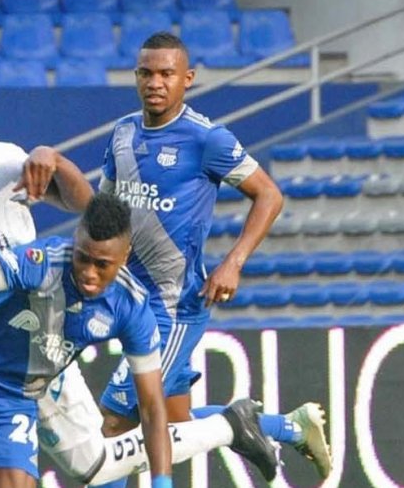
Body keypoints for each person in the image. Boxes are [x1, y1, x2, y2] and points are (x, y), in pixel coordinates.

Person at [0, 75, 277, 487]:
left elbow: (86, 204)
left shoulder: (0, 170)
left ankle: (229, 425)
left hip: (35, 335)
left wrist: (51, 158)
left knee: (97, 465)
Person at [0, 194, 252, 488]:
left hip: (13, 397)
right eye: (83, 258)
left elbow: (152, 409)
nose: (89, 273)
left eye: (102, 265)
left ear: (124, 256)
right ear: (76, 241)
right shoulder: (41, 262)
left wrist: (162, 482)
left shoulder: (131, 308)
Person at [92, 32, 333, 488]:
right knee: (177, 425)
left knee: (114, 423)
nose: (155, 83)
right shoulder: (123, 132)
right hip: (129, 301)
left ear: (188, 79)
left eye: (166, 74)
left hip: (172, 307)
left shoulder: (207, 138)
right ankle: (290, 427)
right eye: (146, 73)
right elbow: (105, 209)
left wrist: (233, 262)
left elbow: (269, 195)